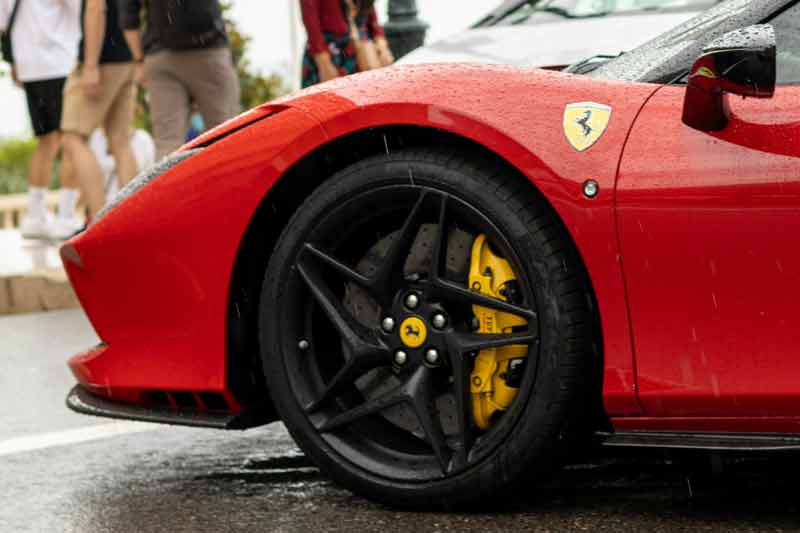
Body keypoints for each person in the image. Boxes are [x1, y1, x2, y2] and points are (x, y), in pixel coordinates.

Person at [0, 0, 85, 239]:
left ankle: (34, 215)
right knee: (72, 139)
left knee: (46, 140)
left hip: (29, 67)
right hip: (60, 63)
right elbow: (83, 9)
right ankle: (66, 215)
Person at [119, 0, 241, 159]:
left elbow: (128, 17)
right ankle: (230, 183)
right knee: (225, 134)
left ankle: (170, 183)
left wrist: (139, 61)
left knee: (168, 144)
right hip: (208, 50)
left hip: (160, 56)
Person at [60, 0, 139, 223]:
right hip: (127, 55)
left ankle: (100, 219)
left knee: (73, 137)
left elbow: (96, 7)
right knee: (120, 139)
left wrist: (90, 65)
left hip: (103, 58)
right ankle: (131, 217)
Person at [300, 0, 394, 88]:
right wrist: (323, 61)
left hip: (362, 51)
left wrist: (381, 44)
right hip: (330, 54)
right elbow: (311, 21)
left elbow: (369, 12)